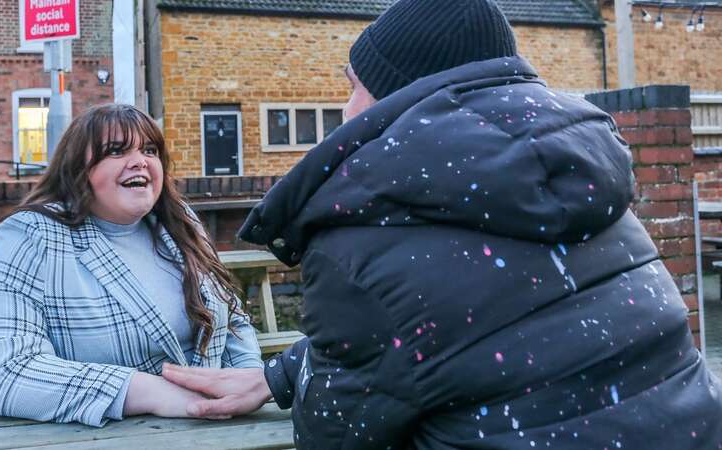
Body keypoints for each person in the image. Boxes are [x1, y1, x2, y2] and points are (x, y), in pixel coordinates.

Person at [162, 0, 722, 448]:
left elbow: (338, 431)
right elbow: (477, 331)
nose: (347, 107)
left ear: (398, 96)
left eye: (355, 84)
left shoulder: (361, 244)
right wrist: (283, 376)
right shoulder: (592, 199)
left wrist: (311, 386)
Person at [0, 104, 263, 427]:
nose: (139, 161)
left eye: (149, 150)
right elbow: (7, 373)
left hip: (219, 431)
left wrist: (248, 383)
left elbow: (233, 318)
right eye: (116, 150)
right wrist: (152, 393)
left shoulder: (181, 224)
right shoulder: (28, 235)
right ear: (77, 169)